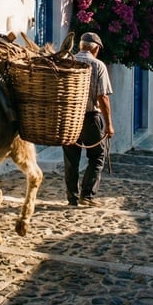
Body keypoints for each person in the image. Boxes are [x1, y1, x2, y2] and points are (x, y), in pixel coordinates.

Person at [63, 32, 114, 207]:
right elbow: (103, 98)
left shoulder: (67, 62)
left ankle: (72, 197)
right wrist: (109, 125)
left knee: (71, 159)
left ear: (81, 46)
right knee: (98, 155)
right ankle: (87, 195)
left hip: (69, 118)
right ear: (95, 48)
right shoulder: (98, 65)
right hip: (90, 118)